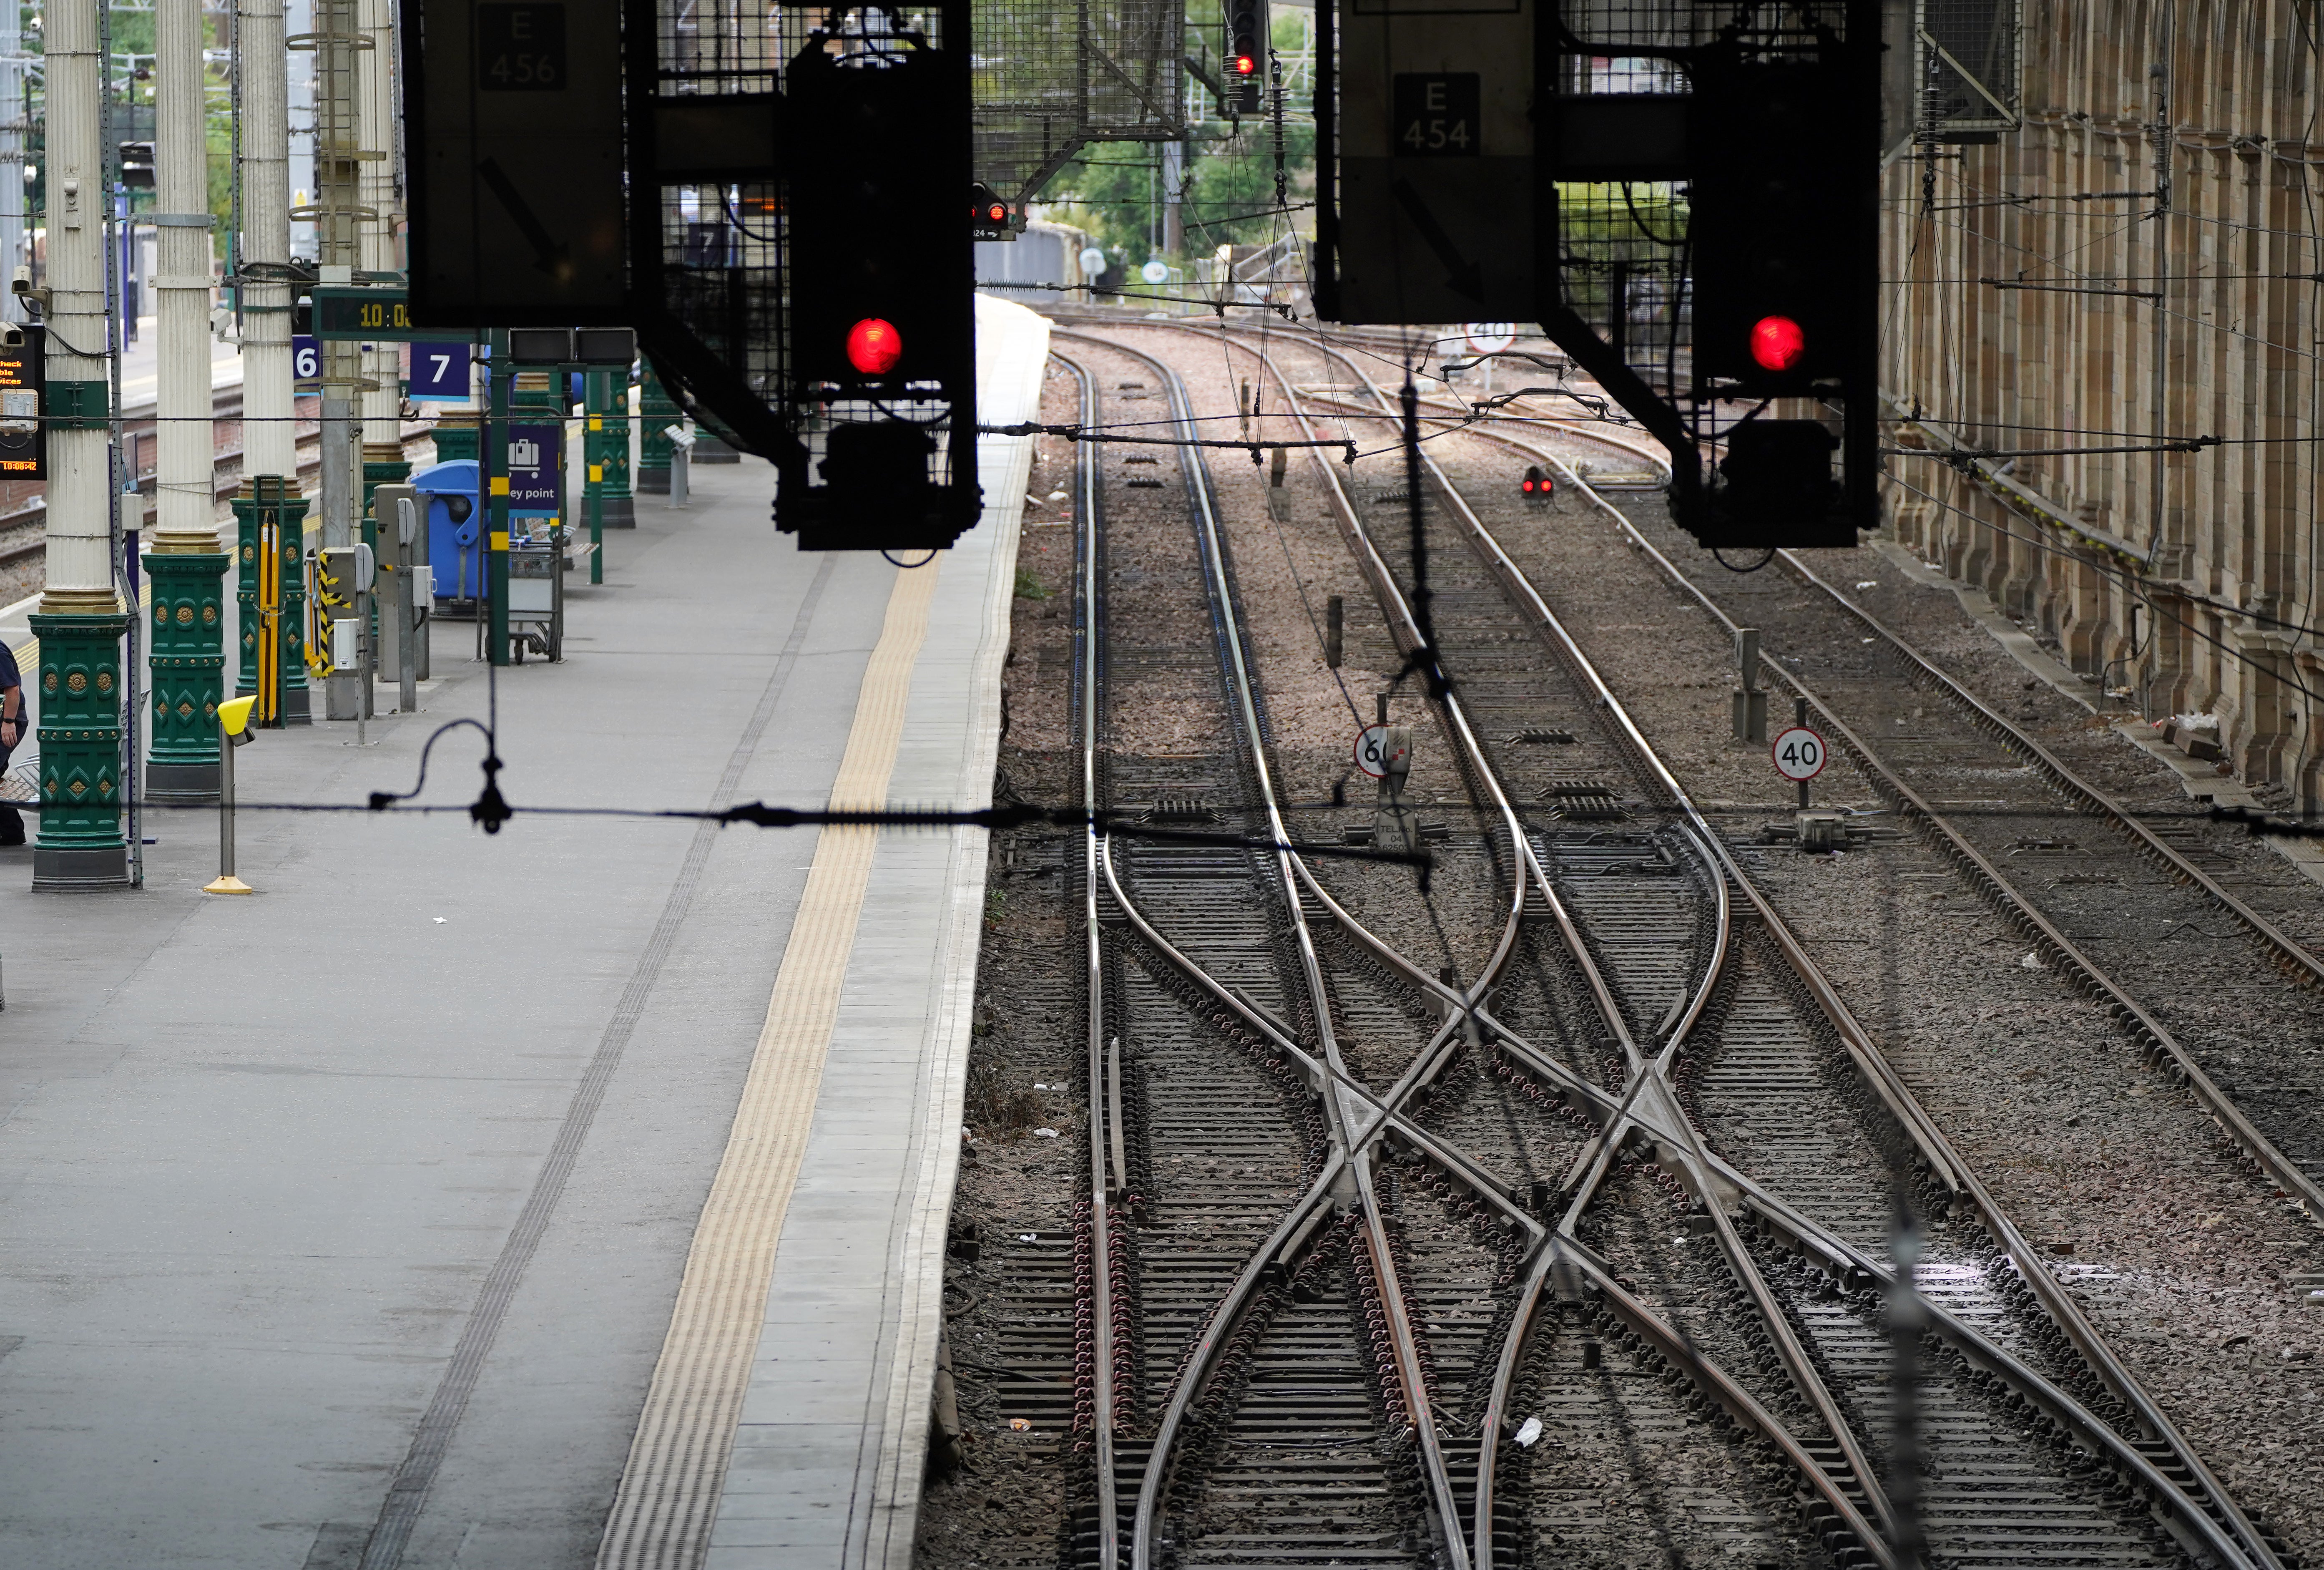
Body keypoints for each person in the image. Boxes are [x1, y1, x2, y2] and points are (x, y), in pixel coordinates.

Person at [0, 638, 23, 845]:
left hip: (8, 720)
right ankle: (12, 831)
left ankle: (12, 831)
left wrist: (9, 722)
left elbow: (13, 690)